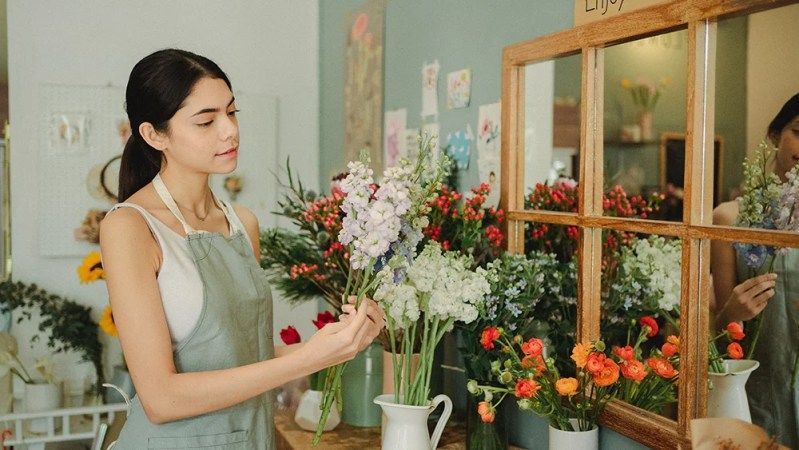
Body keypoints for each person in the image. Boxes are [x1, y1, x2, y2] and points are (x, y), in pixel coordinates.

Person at [99, 49, 384, 449]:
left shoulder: (241, 223)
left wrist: (340, 343)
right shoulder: (130, 226)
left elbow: (248, 360)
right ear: (154, 135)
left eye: (231, 113)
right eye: (206, 120)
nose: (229, 130)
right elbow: (161, 399)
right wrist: (308, 359)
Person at [711, 93, 799, 448]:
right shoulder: (730, 219)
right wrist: (733, 313)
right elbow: (717, 334)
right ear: (775, 136)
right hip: (758, 398)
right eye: (798, 131)